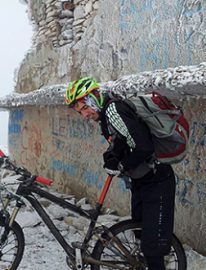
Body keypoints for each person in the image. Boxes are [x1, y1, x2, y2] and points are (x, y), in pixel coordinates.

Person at [65, 77, 176, 270]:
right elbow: (120, 140)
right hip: (142, 181)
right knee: (141, 235)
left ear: (92, 98)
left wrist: (121, 166)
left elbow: (143, 147)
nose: (84, 115)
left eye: (84, 108)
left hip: (157, 180)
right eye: (80, 112)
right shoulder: (106, 116)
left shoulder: (114, 110)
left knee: (153, 245)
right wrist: (110, 157)